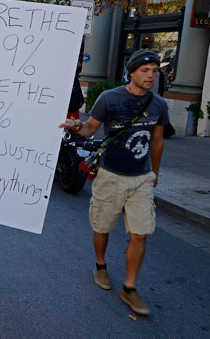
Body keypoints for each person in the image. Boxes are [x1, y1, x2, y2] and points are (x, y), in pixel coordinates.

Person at [59, 49, 169, 316]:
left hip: (141, 177)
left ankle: (129, 287)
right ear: (131, 72)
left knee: (140, 234)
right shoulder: (110, 98)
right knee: (102, 225)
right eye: (145, 71)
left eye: (154, 71)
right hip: (110, 173)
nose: (151, 75)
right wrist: (76, 126)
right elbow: (90, 128)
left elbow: (157, 140)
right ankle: (100, 265)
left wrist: (154, 172)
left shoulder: (158, 104)